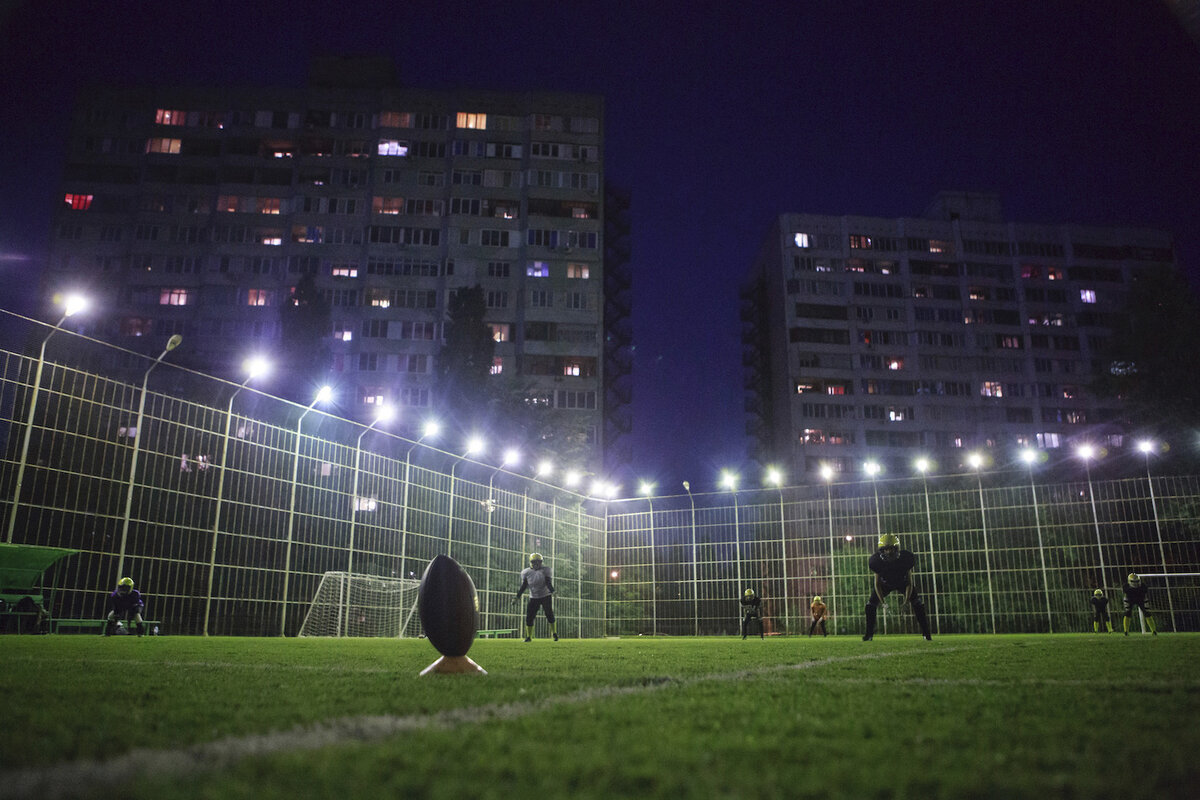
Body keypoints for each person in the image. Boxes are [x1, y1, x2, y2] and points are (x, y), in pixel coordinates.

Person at [863, 533, 932, 641]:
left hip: (902, 583)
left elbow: (909, 582)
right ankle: (869, 634)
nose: (889, 552)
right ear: (882, 551)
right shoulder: (876, 562)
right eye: (886, 549)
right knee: (870, 606)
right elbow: (877, 584)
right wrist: (883, 603)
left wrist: (906, 601)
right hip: (885, 584)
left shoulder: (905, 559)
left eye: (891, 549)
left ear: (897, 549)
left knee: (918, 604)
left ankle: (926, 634)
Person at [514, 552, 557, 642]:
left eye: (539, 562)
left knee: (549, 614)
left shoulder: (546, 570)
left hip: (545, 595)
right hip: (533, 597)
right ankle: (529, 637)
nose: (537, 564)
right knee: (530, 616)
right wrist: (517, 596)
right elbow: (524, 585)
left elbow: (548, 582)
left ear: (541, 562)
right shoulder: (526, 572)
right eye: (534, 562)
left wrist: (553, 591)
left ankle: (554, 633)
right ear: (531, 562)